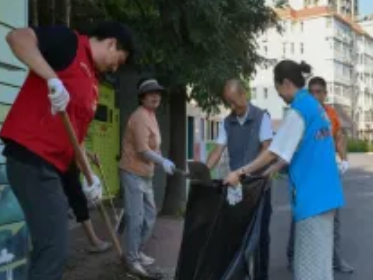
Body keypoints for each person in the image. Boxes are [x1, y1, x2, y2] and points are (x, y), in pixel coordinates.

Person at [1, 22, 134, 280]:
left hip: (53, 167)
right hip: (32, 158)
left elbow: (76, 139)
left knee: (49, 247)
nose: (115, 68)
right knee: (55, 249)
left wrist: (89, 176)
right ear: (112, 43)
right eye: (119, 61)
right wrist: (52, 78)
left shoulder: (93, 81)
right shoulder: (69, 43)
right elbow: (16, 38)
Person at [224, 60, 345, 280]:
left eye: (278, 88)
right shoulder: (315, 106)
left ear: (287, 83)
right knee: (321, 267)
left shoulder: (298, 111)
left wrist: (239, 173)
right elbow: (302, 148)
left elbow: (273, 151)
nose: (279, 94)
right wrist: (274, 169)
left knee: (308, 271)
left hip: (312, 199)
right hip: (327, 195)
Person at [206, 79, 274, 280]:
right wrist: (203, 170)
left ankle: (261, 276)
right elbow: (218, 150)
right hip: (237, 187)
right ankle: (240, 274)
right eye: (229, 103)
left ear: (244, 95)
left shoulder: (262, 117)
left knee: (260, 235)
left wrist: (249, 172)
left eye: (235, 102)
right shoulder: (227, 122)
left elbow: (267, 148)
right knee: (237, 233)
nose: (233, 107)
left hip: (259, 186)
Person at [286, 76, 353, 273]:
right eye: (311, 91)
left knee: (333, 220)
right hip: (306, 177)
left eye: (319, 92)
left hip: (326, 175)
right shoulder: (302, 113)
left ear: (325, 94)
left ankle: (336, 260)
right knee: (300, 219)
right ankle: (293, 257)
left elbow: (340, 138)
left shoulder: (330, 114)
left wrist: (345, 161)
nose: (315, 95)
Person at [119, 78, 176, 277]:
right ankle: (132, 260)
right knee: (136, 218)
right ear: (142, 97)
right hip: (132, 173)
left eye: (158, 93)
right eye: (151, 93)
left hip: (146, 175)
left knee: (150, 216)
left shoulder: (151, 115)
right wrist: (163, 162)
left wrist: (162, 160)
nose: (155, 96)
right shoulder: (139, 117)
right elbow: (143, 150)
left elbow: (155, 146)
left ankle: (137, 251)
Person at [62, 161, 112, 253]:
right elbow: (78, 150)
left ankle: (94, 240)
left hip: (69, 166)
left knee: (78, 201)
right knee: (79, 200)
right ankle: (94, 241)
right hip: (66, 165)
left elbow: (80, 149)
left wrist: (90, 155)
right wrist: (89, 177)